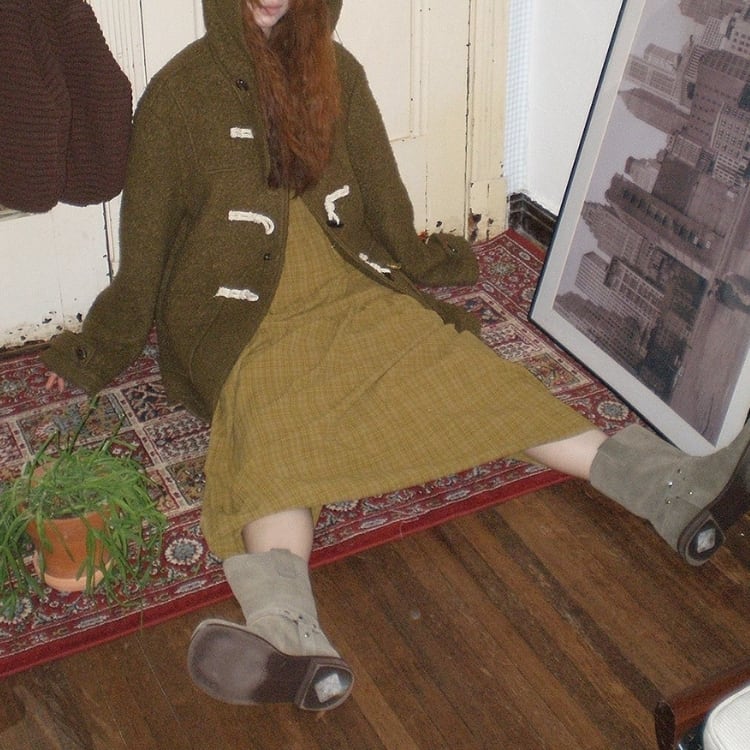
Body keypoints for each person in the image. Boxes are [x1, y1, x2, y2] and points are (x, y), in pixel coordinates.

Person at [42, 0, 750, 712]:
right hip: (238, 321)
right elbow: (143, 251)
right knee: (270, 429)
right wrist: (96, 351)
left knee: (460, 370)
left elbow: (381, 192)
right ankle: (286, 631)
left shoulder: (338, 71)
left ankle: (669, 488)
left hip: (350, 286)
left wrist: (418, 259)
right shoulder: (177, 94)